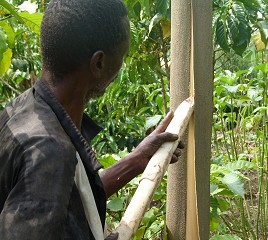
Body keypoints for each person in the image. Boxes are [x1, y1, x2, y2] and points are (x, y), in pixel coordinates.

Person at [0, 0, 183, 239]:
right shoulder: (50, 153)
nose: (122, 65)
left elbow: (68, 200)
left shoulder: (22, 108)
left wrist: (137, 160)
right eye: (123, 55)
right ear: (98, 63)